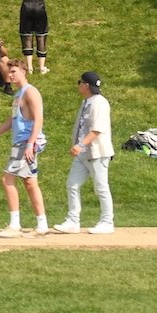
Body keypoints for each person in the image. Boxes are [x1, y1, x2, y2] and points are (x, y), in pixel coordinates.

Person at [0, 57, 49, 238]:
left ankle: (15, 225)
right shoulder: (19, 94)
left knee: (7, 179)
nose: (10, 74)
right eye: (9, 72)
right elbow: (13, 120)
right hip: (23, 141)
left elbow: (38, 119)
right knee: (30, 182)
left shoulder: (30, 92)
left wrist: (31, 144)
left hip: (27, 142)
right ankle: (42, 225)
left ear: (24, 72)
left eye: (14, 71)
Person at [54, 71, 115, 234]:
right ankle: (73, 221)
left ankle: (107, 222)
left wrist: (80, 145)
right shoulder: (86, 102)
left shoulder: (100, 103)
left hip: (97, 152)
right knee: (72, 185)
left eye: (79, 82)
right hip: (83, 153)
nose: (78, 85)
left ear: (86, 85)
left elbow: (97, 130)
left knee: (101, 187)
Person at [18, 0, 50, 75]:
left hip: (27, 5)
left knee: (26, 34)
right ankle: (42, 67)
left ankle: (30, 67)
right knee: (41, 34)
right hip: (40, 5)